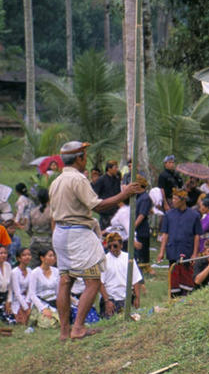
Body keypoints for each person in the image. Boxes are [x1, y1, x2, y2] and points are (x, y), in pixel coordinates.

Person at [49, 140, 144, 341]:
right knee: (92, 281)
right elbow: (97, 206)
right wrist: (124, 194)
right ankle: (78, 328)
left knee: (65, 280)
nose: (86, 160)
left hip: (60, 232)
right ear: (79, 158)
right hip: (77, 233)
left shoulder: (56, 181)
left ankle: (65, 331)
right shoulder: (78, 179)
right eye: (84, 156)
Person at [157, 188, 201, 297]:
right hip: (173, 249)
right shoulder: (169, 215)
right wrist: (161, 252)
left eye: (175, 199)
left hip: (187, 249)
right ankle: (173, 296)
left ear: (183, 200)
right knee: (174, 274)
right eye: (172, 198)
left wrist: (195, 253)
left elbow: (197, 235)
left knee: (186, 276)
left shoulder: (194, 215)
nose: (173, 201)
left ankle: (186, 296)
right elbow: (165, 234)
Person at [99, 234, 143, 318]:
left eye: (115, 246)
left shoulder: (128, 258)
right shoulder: (103, 260)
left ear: (121, 245)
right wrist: (107, 301)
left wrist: (137, 297)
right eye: (109, 247)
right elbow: (100, 283)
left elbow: (136, 279)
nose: (112, 249)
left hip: (126, 298)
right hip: (110, 298)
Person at [27, 249, 60, 327]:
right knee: (47, 323)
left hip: (54, 302)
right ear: (42, 258)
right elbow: (32, 294)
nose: (53, 258)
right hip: (41, 302)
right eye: (50, 256)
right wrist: (43, 308)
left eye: (54, 256)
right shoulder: (35, 273)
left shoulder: (56, 271)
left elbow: (58, 291)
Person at [27, 188, 53, 268]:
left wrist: (33, 236)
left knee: (34, 267)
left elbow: (27, 228)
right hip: (48, 242)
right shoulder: (51, 211)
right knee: (49, 267)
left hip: (34, 242)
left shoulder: (32, 211)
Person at [93, 160, 122, 230]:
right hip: (105, 212)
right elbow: (95, 194)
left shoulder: (117, 180)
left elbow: (119, 193)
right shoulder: (101, 180)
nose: (116, 170)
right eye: (115, 168)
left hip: (115, 211)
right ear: (109, 169)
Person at [132, 179, 153, 267]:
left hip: (141, 229)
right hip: (136, 228)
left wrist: (133, 227)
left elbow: (142, 215)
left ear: (140, 186)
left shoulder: (145, 198)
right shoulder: (137, 196)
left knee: (142, 251)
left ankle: (144, 266)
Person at [10, 248, 32, 325]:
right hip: (16, 300)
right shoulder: (15, 272)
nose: (27, 257)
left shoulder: (30, 271)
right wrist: (25, 307)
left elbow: (30, 289)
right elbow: (17, 293)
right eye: (24, 255)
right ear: (18, 258)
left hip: (27, 299)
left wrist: (27, 302)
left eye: (29, 255)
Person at [0, 246, 12, 324]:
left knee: (11, 320)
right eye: (1, 253)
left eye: (5, 253)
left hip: (4, 297)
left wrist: (9, 301)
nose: (3, 255)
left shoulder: (8, 266)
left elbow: (10, 286)